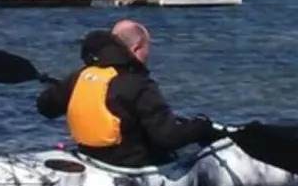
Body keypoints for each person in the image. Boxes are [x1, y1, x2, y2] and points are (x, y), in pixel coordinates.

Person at [35, 19, 216, 168]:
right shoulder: (139, 84)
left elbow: (45, 108)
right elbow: (167, 137)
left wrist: (65, 91)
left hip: (90, 157)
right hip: (128, 166)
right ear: (137, 48)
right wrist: (200, 127)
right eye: (147, 49)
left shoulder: (80, 76)